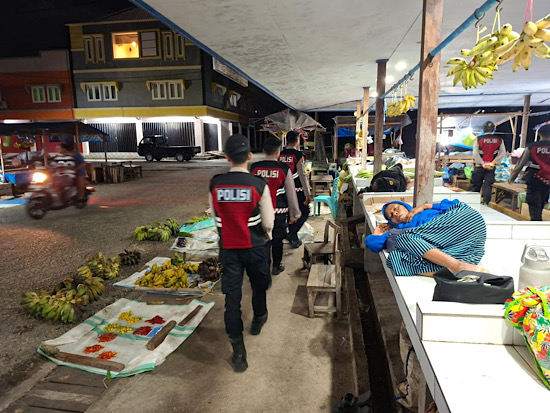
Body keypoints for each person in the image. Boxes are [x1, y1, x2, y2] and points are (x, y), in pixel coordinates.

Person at [209, 134, 274, 372]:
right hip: (255, 247)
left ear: (227, 157)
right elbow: (268, 222)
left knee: (232, 300)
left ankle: (238, 353)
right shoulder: (258, 184)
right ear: (249, 156)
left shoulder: (215, 183)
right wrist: (267, 236)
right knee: (259, 285)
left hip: (229, 250)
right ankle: (259, 318)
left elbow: (215, 217)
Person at [365, 199, 487, 276]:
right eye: (391, 216)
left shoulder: (427, 211)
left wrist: (425, 206)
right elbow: (372, 243)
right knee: (395, 258)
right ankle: (455, 266)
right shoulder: (401, 229)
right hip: (464, 251)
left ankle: (453, 267)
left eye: (396, 208)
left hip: (466, 225)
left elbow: (455, 204)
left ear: (405, 206)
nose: (395, 213)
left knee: (402, 238)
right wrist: (377, 231)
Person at [250, 136, 301, 275]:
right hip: (279, 211)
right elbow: (291, 192)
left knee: (263, 240)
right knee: (277, 239)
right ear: (278, 152)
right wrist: (294, 214)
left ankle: (264, 266)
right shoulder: (283, 168)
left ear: (263, 151)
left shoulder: (254, 168)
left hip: (260, 211)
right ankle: (276, 266)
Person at [509, 123, 550, 221]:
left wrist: (512, 178)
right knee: (542, 202)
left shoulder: (531, 147)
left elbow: (520, 164)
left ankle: (536, 224)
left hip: (534, 179)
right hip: (548, 181)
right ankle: (538, 222)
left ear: (539, 134)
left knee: (534, 204)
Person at [279, 131, 311, 248]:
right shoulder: (298, 155)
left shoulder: (280, 154)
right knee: (304, 212)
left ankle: (292, 236)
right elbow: (301, 174)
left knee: (289, 214)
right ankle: (292, 234)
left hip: (283, 189)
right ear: (297, 140)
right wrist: (307, 193)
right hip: (297, 188)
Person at [472, 121, 506, 204]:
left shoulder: (478, 139)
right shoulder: (499, 140)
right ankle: (486, 203)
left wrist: (482, 163)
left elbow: (475, 153)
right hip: (491, 167)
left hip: (479, 166)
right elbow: (502, 153)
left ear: (483, 129)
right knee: (488, 184)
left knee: (476, 185)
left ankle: (473, 202)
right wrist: (493, 163)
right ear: (493, 129)